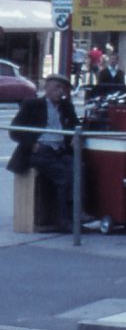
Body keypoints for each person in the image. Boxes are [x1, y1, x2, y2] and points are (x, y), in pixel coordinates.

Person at [6, 74, 79, 232]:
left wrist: (75, 135)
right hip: (42, 151)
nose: (60, 92)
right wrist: (32, 143)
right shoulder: (32, 105)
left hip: (60, 150)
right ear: (46, 89)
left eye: (62, 89)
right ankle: (63, 220)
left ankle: (77, 214)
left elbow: (76, 126)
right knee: (63, 178)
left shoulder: (67, 106)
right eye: (56, 88)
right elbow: (14, 131)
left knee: (79, 170)